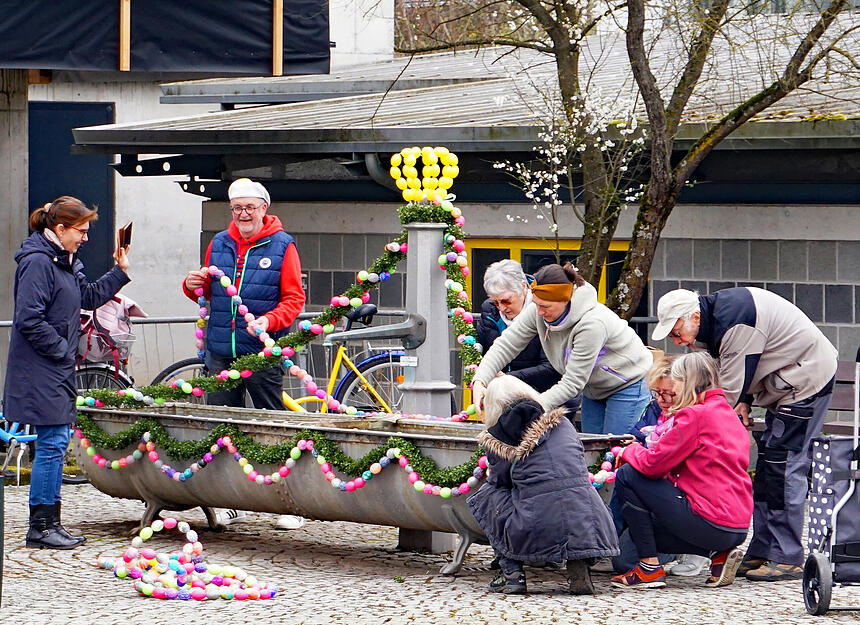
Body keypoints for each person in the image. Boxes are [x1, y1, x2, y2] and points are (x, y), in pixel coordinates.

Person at [651, 286, 837, 581]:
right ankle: (763, 549)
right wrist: (744, 404)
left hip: (805, 380)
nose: (677, 341)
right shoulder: (713, 322)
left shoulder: (736, 321)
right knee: (768, 467)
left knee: (784, 466)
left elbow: (725, 391)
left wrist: (690, 423)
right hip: (783, 380)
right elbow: (741, 375)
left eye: (676, 333)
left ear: (695, 317)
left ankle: (786, 556)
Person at [4, 196, 130, 549]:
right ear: (59, 229)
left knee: (55, 443)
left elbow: (86, 296)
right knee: (53, 443)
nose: (86, 238)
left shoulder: (63, 259)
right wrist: (63, 350)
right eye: (81, 231)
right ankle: (41, 527)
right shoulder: (39, 263)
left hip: (52, 368)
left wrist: (119, 271)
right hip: (40, 369)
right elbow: (29, 319)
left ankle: (48, 524)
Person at [183, 178, 306, 530]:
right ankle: (229, 501)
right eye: (237, 208)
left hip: (262, 352)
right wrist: (192, 286)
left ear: (264, 209)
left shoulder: (283, 245)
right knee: (223, 427)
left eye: (250, 207)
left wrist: (269, 321)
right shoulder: (219, 242)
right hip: (220, 351)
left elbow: (294, 299)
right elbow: (208, 291)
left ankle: (289, 503)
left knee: (273, 425)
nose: (243, 214)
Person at [611, 352, 752, 590]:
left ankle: (648, 568)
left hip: (708, 518)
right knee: (627, 551)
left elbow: (653, 465)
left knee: (628, 475)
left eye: (675, 383)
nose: (670, 393)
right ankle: (717, 554)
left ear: (687, 382)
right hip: (737, 526)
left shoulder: (694, 414)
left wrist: (629, 452)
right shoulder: (726, 412)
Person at [467, 375, 619, 594]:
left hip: (536, 521)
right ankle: (578, 565)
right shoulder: (563, 422)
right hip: (588, 519)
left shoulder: (498, 439)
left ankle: (512, 574)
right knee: (569, 492)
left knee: (487, 496)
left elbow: (499, 481)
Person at [471, 262, 652, 435]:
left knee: (615, 450)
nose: (539, 312)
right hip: (593, 388)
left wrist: (530, 409)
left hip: (627, 384)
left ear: (565, 301)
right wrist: (480, 380)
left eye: (545, 307)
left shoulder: (592, 324)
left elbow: (572, 383)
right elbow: (506, 344)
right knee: (592, 450)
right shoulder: (538, 310)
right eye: (536, 304)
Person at [476, 259, 580, 415]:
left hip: (552, 396)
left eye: (506, 300)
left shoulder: (545, 311)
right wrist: (481, 379)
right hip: (507, 398)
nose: (502, 308)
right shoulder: (489, 311)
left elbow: (554, 368)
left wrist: (506, 380)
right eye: (496, 302)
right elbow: (499, 349)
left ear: (523, 287)